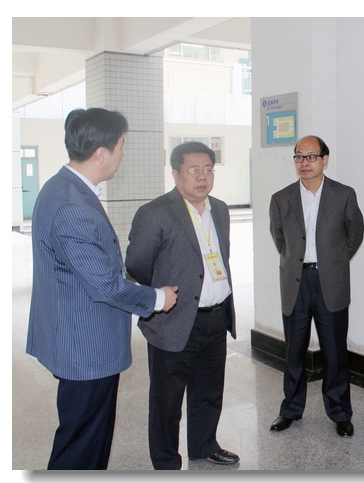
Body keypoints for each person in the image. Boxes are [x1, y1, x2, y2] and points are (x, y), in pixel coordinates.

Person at [26, 108, 178, 470]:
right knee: (81, 445)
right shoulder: (71, 204)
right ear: (101, 153)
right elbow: (104, 285)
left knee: (88, 437)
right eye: (121, 146)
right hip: (84, 346)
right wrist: (158, 298)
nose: (123, 154)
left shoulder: (65, 187)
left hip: (77, 337)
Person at [125, 141, 239, 470]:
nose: (202, 176)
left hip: (215, 317)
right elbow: (136, 264)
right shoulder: (155, 213)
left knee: (209, 390)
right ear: (176, 174)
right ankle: (166, 463)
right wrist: (161, 296)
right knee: (167, 400)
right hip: (174, 319)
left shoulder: (220, 209)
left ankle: (204, 445)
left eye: (208, 169)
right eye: (193, 170)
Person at [268, 135, 364, 437]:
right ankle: (290, 409)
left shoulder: (343, 194)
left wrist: (334, 262)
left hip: (330, 282)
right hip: (295, 282)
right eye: (299, 156)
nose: (304, 163)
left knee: (335, 353)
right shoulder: (281, 198)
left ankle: (340, 412)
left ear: (325, 159)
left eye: (311, 156)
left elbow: (355, 235)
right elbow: (280, 239)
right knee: (294, 352)